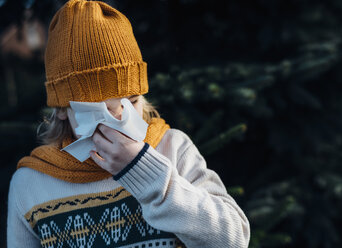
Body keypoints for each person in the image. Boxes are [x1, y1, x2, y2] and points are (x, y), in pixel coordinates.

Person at [7, 0, 250, 247]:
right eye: (103, 110)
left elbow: (233, 240)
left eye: (132, 101)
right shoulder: (30, 184)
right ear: (62, 110)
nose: (122, 120)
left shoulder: (173, 150)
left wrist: (144, 171)